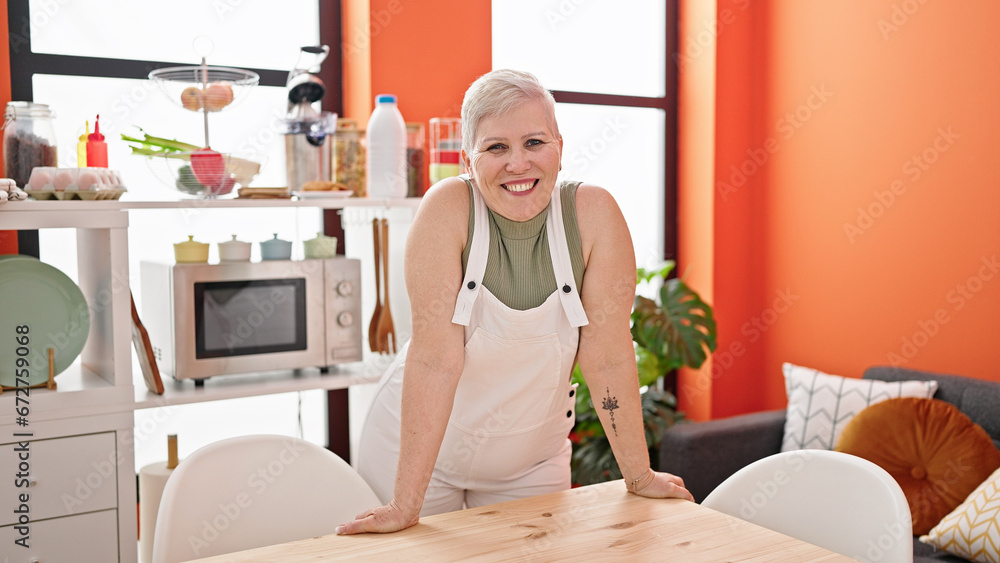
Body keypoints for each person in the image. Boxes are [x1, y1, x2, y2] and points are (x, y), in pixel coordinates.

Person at [338, 69, 693, 535]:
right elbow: (434, 362)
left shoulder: (593, 217)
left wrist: (639, 474)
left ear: (560, 148)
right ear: (469, 159)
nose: (518, 164)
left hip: (531, 464)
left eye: (534, 143)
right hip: (420, 454)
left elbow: (607, 356)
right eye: (496, 147)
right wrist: (406, 504)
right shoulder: (447, 210)